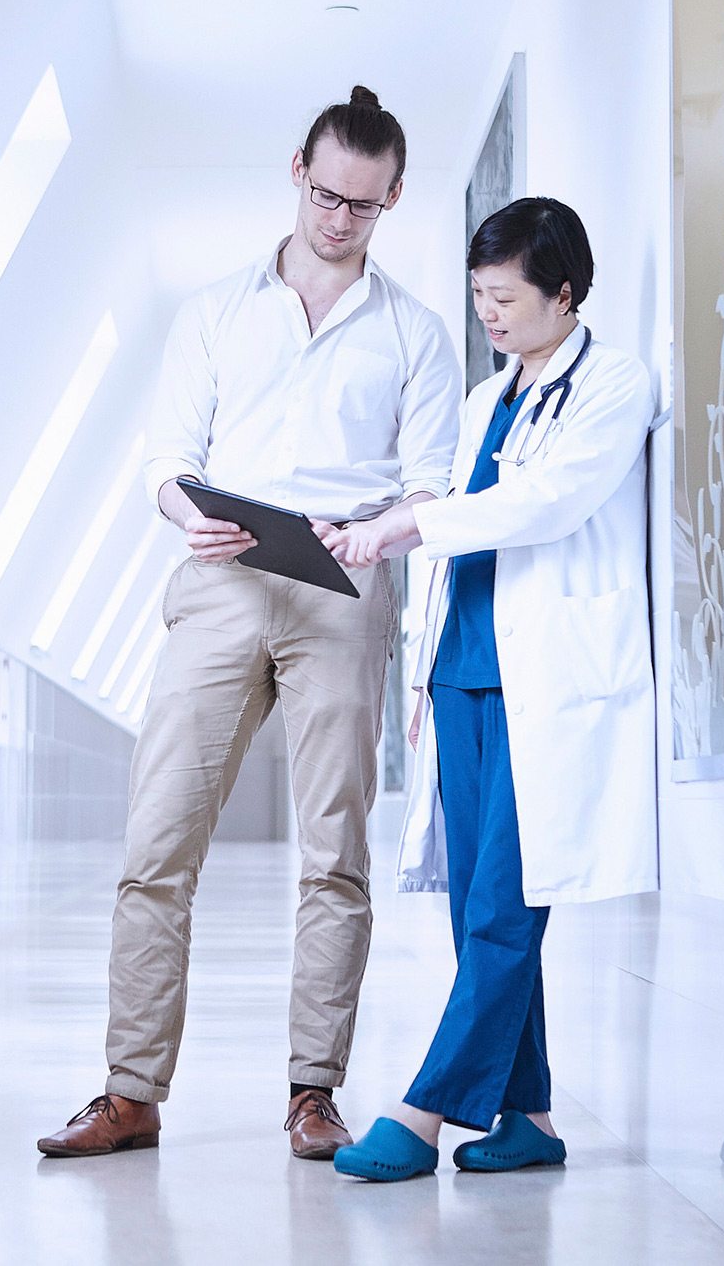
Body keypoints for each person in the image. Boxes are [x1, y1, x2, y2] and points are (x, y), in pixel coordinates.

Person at [37, 87, 461, 1160]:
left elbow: (430, 486)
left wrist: (373, 534)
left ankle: (313, 1092)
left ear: (392, 198)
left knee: (335, 852)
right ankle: (130, 1091)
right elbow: (167, 459)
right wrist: (188, 512)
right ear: (297, 173)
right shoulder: (214, 312)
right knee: (157, 840)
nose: (340, 219)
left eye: (364, 205)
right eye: (327, 195)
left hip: (345, 587)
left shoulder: (413, 333)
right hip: (223, 579)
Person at [318, 198, 658, 1180]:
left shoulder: (613, 383)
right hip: (462, 670)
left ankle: (424, 1110)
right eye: (479, 297)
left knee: (506, 906)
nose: (488, 316)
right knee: (476, 904)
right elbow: (450, 508)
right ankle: (529, 1114)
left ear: (565, 292)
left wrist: (407, 526)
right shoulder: (482, 398)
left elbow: (547, 501)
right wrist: (388, 531)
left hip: (545, 680)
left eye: (505, 298)